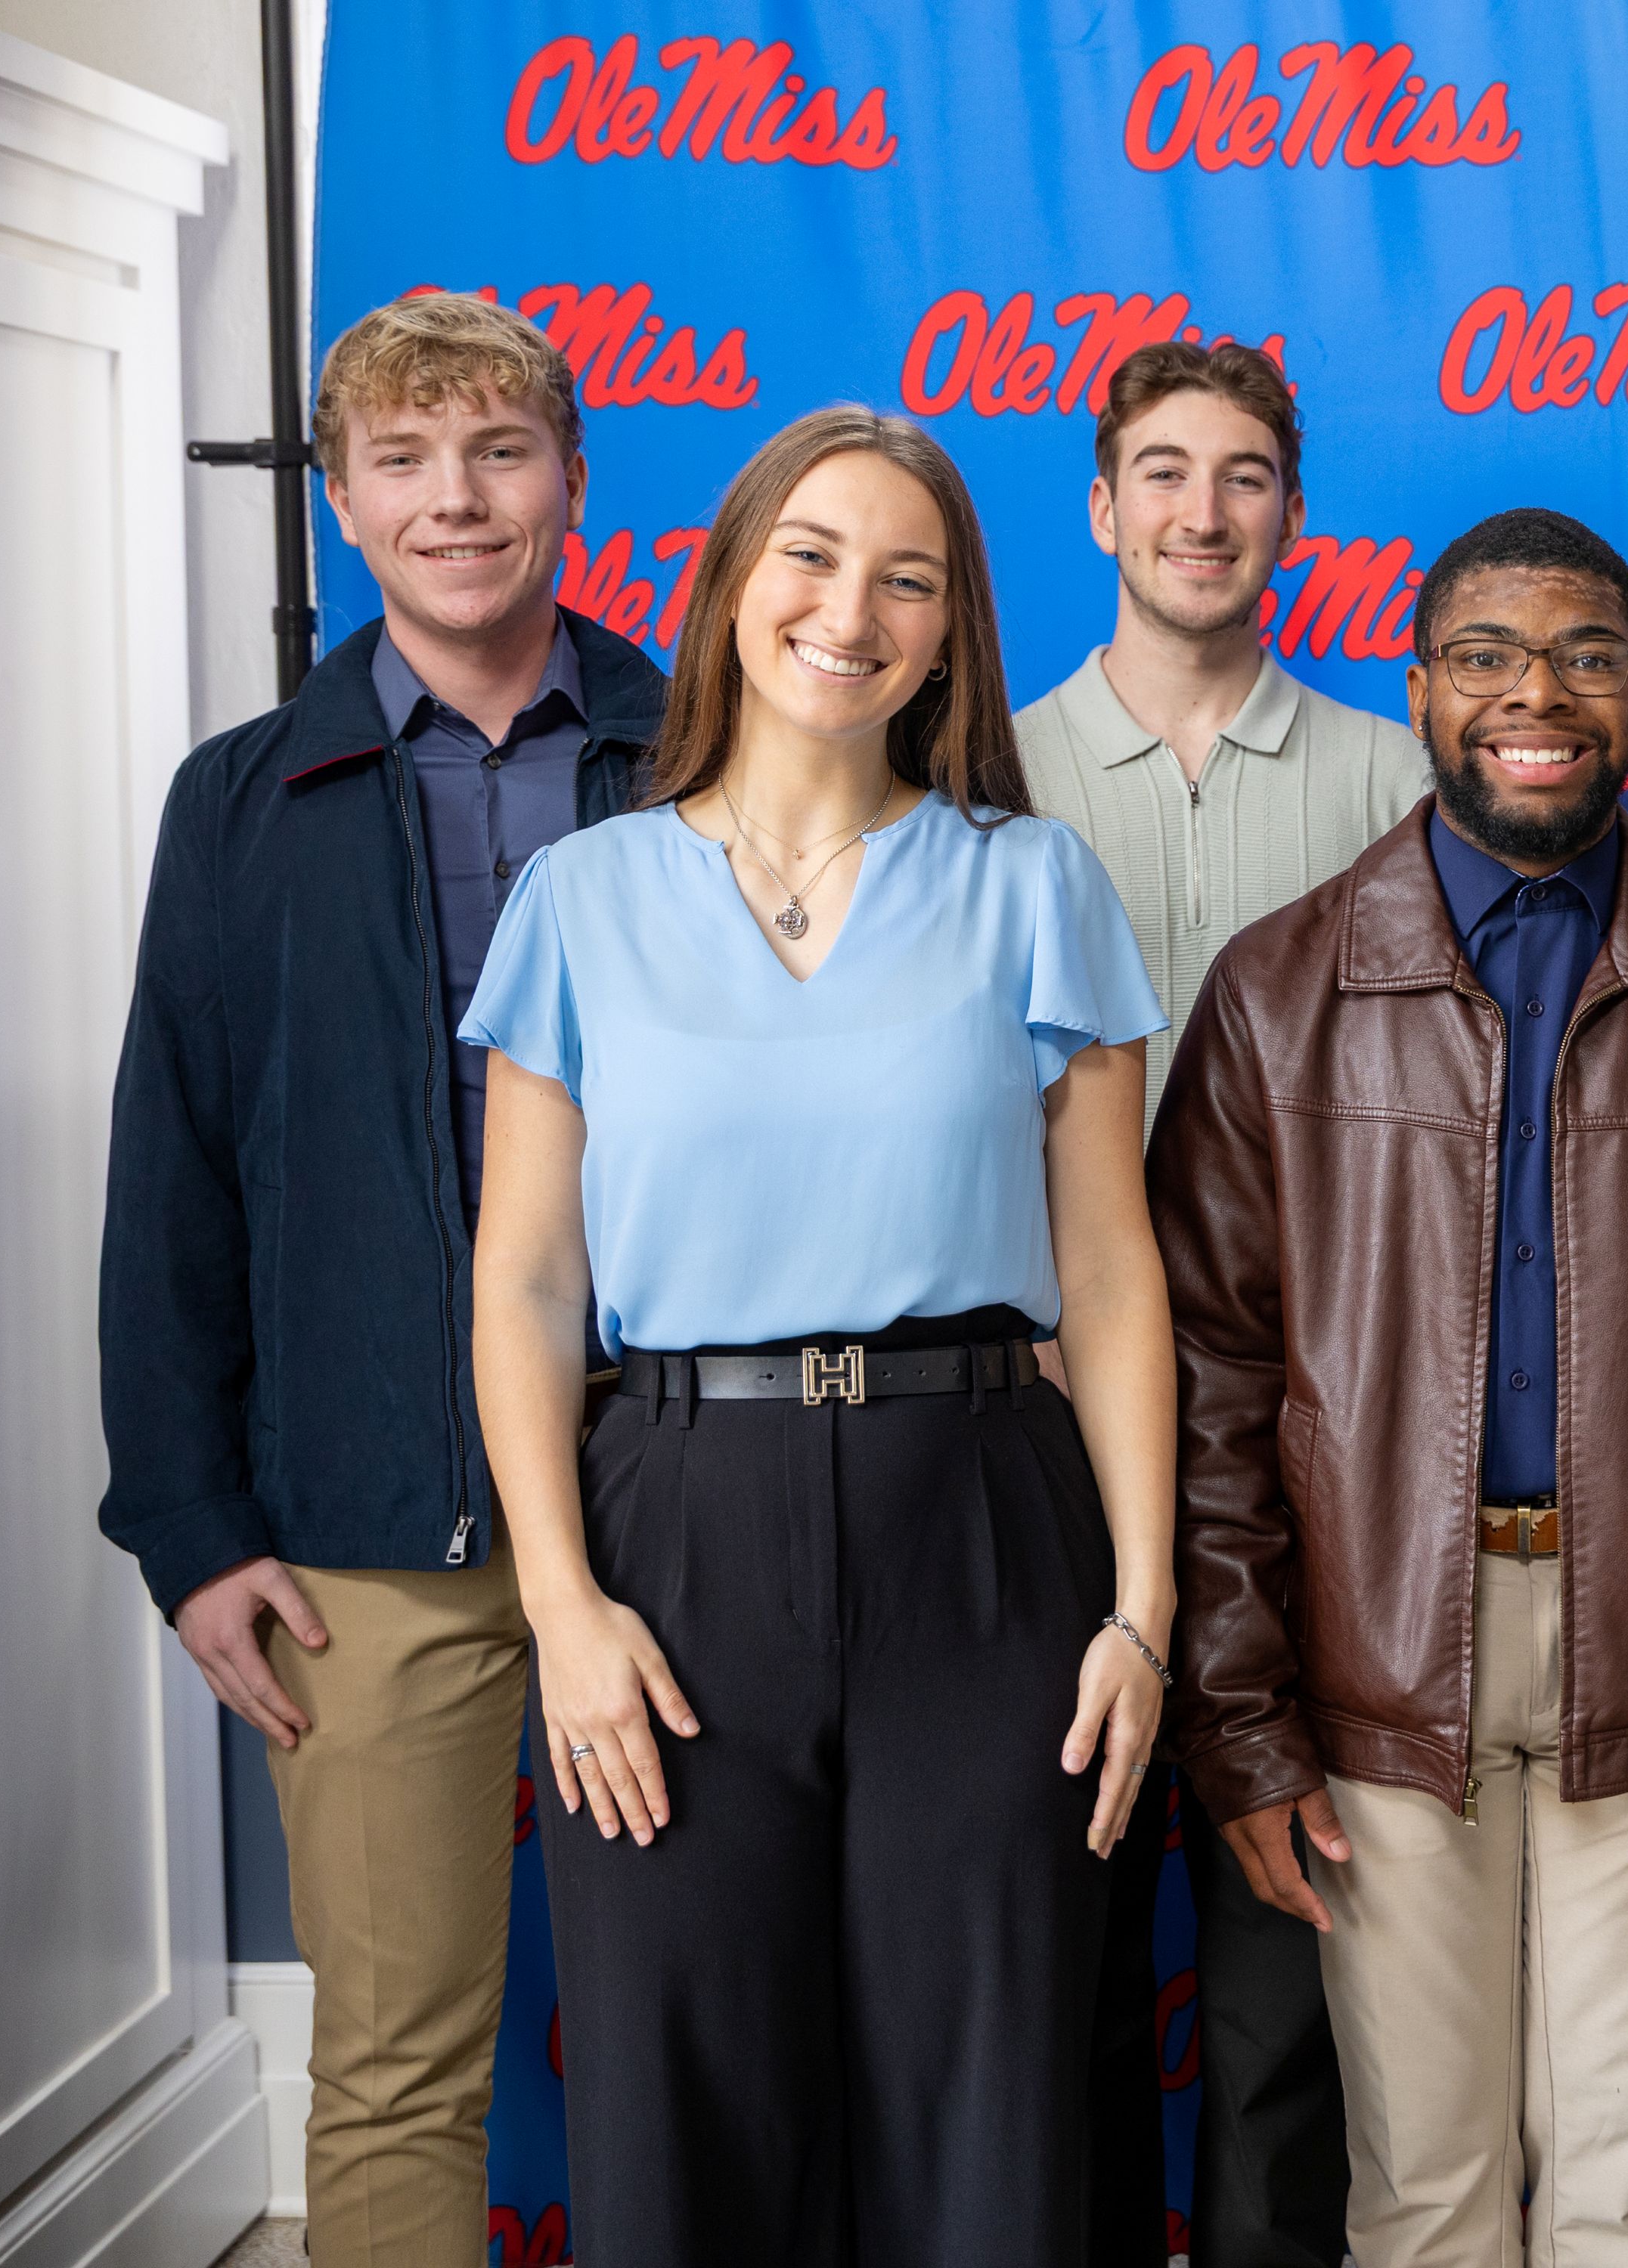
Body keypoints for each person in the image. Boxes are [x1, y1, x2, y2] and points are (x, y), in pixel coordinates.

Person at [460, 406, 1178, 2267]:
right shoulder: (584, 900)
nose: (850, 608)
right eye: (812, 554)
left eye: (907, 578)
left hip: (986, 1532)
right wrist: (565, 1609)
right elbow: (529, 1284)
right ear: (729, 581)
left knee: (992, 2110)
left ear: (949, 637)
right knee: (685, 2106)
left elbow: (1110, 1281)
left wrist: (1142, 1610)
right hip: (678, 1540)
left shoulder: (1035, 886)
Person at [1155, 507, 1628, 2268]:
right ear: (1417, 688)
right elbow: (1216, 1393)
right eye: (1485, 654)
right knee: (1425, 2184)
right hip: (1377, 1647)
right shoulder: (1278, 992)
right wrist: (1244, 1723)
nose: (1534, 695)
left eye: (1585, 656)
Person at [98, 291, 660, 2268]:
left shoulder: (703, 760)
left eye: (500, 452)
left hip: (683, 1503)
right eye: (405, 462)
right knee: (400, 2062)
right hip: (365, 1528)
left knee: (720, 2041)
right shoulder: (245, 804)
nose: (456, 500)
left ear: (575, 486)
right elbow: (176, 1178)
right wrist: (191, 1529)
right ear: (342, 503)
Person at [1014, 336, 1426, 2268]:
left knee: (1284, 1959)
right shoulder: (982, 772)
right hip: (1027, 1443)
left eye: (1246, 474)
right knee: (1048, 1946)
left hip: (1309, 1453)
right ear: (1101, 510)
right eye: (1163, 473)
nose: (1203, 510)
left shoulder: (1390, 776)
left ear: (1290, 513)